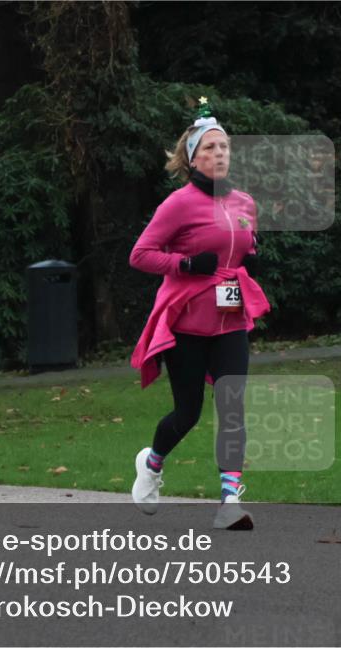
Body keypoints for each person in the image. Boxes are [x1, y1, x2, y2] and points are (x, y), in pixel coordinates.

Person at [128, 97, 270, 530]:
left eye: (224, 146)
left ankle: (230, 501)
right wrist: (186, 265)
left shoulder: (244, 202)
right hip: (187, 321)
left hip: (230, 319)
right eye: (209, 148)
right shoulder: (178, 204)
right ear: (192, 159)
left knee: (232, 406)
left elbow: (246, 245)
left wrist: (243, 259)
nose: (219, 153)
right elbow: (141, 255)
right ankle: (151, 464)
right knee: (187, 413)